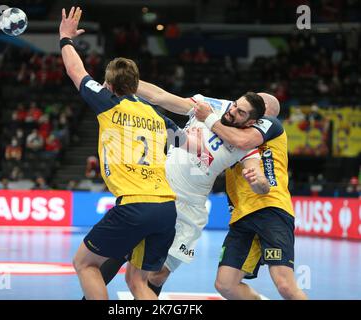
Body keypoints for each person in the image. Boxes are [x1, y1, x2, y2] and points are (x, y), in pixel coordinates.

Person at [94, 82, 272, 297]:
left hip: (189, 209)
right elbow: (160, 96)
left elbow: (260, 181)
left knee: (157, 274)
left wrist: (259, 181)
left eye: (240, 112)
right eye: (235, 105)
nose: (232, 111)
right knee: (121, 252)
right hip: (157, 192)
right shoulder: (211, 105)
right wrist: (127, 81)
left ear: (251, 121)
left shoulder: (246, 145)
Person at [59, 7, 178, 300]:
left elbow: (76, 71)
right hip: (166, 208)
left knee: (85, 263)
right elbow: (190, 143)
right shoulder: (157, 115)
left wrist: (65, 38)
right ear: (136, 84)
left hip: (134, 205)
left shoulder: (108, 102)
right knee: (138, 281)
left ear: (108, 85)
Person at [195, 95, 308, 300]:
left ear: (261, 111)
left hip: (270, 208)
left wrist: (209, 118)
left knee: (285, 285)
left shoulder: (270, 124)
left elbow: (242, 141)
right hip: (242, 215)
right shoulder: (234, 130)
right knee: (225, 284)